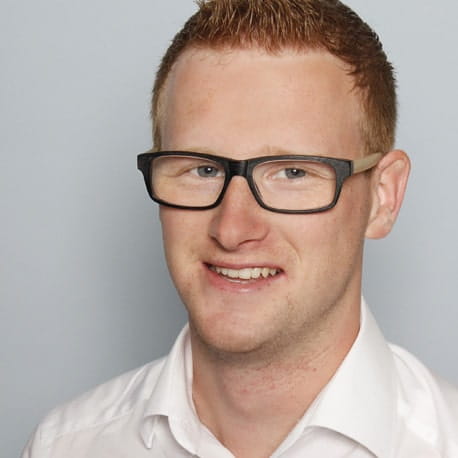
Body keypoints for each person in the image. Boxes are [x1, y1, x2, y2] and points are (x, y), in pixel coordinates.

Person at [22, 0, 458, 457]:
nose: (232, 229)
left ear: (383, 197)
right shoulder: (64, 446)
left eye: (292, 172)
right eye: (202, 169)